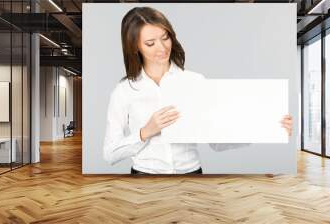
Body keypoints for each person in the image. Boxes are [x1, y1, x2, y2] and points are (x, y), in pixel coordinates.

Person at [103, 7, 293, 175]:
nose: (162, 48)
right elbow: (110, 154)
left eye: (165, 38)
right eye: (150, 43)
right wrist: (145, 131)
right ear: (134, 46)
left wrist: (266, 126)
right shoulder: (124, 90)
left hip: (192, 176)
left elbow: (216, 141)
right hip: (144, 179)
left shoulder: (195, 81)